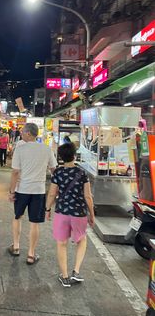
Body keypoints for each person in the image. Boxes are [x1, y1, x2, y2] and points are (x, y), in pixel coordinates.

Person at [46, 143, 95, 288]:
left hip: (62, 212)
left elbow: (52, 193)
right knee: (81, 240)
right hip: (79, 213)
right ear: (74, 155)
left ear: (60, 157)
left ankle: (65, 276)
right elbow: (88, 196)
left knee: (61, 243)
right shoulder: (82, 173)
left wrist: (47, 209)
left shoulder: (58, 173)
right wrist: (91, 214)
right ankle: (76, 271)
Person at [8, 123, 57, 264]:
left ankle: (16, 247)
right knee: (35, 223)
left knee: (17, 217)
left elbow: (15, 172)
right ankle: (31, 254)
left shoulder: (20, 149)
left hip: (22, 189)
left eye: (23, 132)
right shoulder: (47, 149)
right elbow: (54, 170)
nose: (21, 134)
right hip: (38, 191)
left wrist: (12, 191)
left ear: (29, 133)